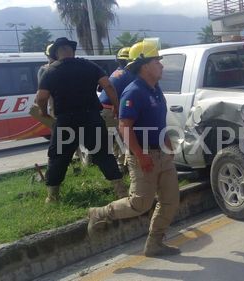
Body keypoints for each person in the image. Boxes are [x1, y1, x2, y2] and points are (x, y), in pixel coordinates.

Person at [87, 39, 180, 257]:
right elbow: (124, 127)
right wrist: (140, 156)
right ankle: (100, 213)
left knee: (171, 200)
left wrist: (167, 143)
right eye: (157, 60)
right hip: (144, 154)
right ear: (145, 65)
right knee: (139, 203)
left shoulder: (155, 89)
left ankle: (154, 243)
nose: (162, 64)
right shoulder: (134, 92)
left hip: (162, 155)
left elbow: (159, 120)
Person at [35, 37, 128, 203]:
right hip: (91, 117)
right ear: (72, 50)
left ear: (56, 53)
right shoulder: (89, 66)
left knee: (58, 158)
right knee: (104, 154)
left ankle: (52, 196)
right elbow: (107, 86)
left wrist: (44, 113)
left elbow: (41, 97)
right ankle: (120, 190)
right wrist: (116, 106)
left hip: (66, 121)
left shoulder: (51, 71)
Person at [99, 47, 136, 173]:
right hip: (111, 110)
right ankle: (122, 167)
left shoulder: (116, 72)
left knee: (115, 139)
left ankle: (118, 165)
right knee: (122, 138)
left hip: (104, 110)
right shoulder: (129, 75)